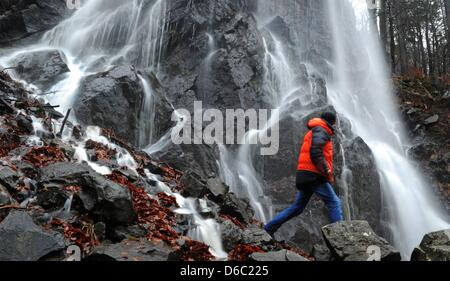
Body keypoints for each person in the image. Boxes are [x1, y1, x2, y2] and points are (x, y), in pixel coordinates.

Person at [264, 111, 343, 237]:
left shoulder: (313, 131)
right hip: (314, 175)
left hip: (304, 174)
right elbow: (315, 152)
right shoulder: (322, 130)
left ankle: (268, 229)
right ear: (331, 122)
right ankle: (340, 237)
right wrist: (326, 170)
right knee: (334, 202)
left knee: (297, 207)